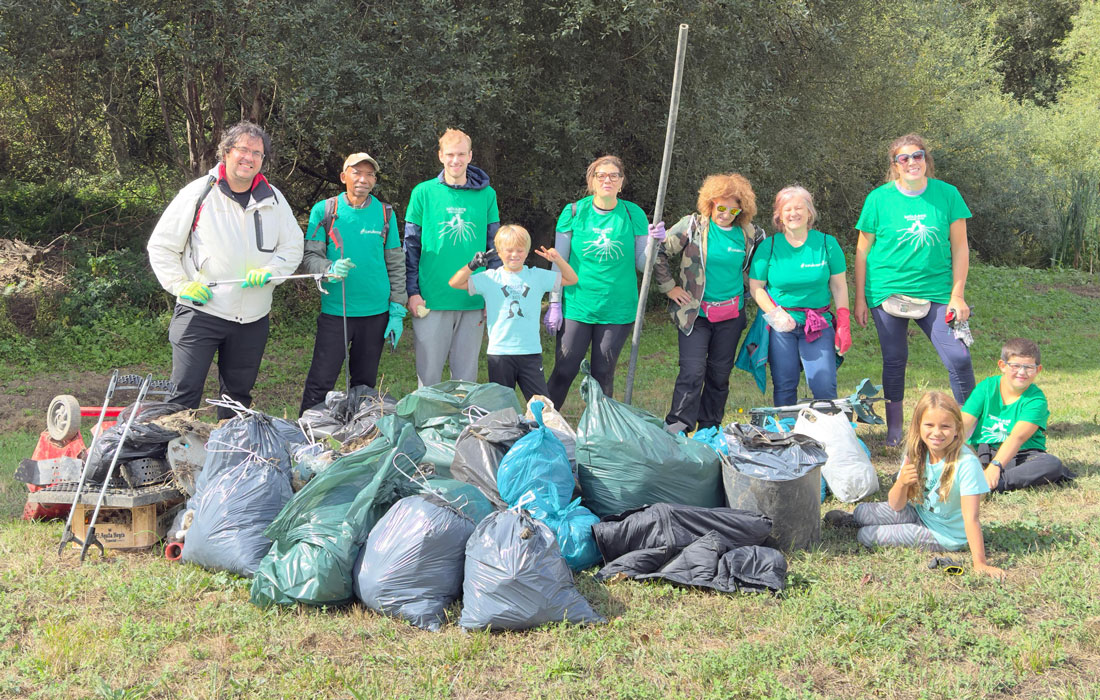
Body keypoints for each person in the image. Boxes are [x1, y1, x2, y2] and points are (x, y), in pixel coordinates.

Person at [147, 121, 303, 419]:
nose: (249, 157)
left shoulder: (274, 198)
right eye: (242, 149)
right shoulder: (199, 192)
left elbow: (293, 245)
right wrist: (181, 285)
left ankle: (229, 460)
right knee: (183, 396)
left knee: (237, 401)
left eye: (257, 153)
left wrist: (274, 270)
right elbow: (162, 246)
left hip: (253, 319)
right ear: (227, 152)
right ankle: (176, 463)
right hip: (200, 312)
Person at [854, 133, 975, 445]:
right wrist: (860, 299)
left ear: (926, 160)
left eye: (917, 155)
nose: (911, 162)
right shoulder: (878, 199)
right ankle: (895, 431)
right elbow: (863, 252)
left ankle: (970, 428)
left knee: (958, 358)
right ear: (895, 166)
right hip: (887, 290)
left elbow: (961, 248)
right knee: (894, 359)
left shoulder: (947, 195)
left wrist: (957, 294)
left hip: (935, 291)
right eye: (903, 158)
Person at [825, 391, 1005, 580]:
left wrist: (980, 564)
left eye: (945, 426)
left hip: (943, 533)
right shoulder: (917, 453)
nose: (936, 432)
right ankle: (855, 520)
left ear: (957, 429)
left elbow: (972, 518)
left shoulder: (965, 463)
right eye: (929, 425)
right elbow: (896, 505)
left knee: (867, 536)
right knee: (861, 511)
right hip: (919, 512)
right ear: (918, 426)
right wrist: (902, 483)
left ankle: (866, 525)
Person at [544, 155, 663, 409]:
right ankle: (539, 424)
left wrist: (655, 243)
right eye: (601, 176)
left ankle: (600, 432)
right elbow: (558, 261)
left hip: (617, 308)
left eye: (613, 176)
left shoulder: (633, 214)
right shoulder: (574, 212)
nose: (607, 180)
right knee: (565, 369)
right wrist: (555, 302)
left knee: (603, 373)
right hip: (578, 304)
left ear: (621, 182)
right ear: (592, 181)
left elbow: (643, 264)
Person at [652, 173, 766, 433]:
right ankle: (678, 427)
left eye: (732, 208)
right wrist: (669, 287)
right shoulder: (693, 226)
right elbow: (659, 250)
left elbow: (761, 271)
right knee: (692, 371)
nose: (725, 213)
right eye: (720, 206)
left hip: (731, 316)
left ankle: (709, 430)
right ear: (710, 202)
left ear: (741, 209)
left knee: (719, 375)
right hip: (695, 315)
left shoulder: (752, 235)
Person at [297, 152, 406, 414]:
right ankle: (305, 435)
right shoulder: (325, 211)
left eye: (370, 174)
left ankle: (358, 437)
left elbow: (395, 262)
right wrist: (328, 269)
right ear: (344, 176)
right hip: (337, 312)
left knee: (365, 385)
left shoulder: (385, 212)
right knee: (320, 382)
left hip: (376, 313)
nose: (363, 179)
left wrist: (397, 309)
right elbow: (310, 256)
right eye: (357, 173)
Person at [403, 128, 500, 387]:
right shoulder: (423, 192)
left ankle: (462, 426)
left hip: (473, 298)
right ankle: (428, 425)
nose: (455, 160)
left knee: (466, 379)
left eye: (460, 154)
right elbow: (410, 247)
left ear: (470, 156)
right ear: (440, 156)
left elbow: (495, 247)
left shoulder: (487, 195)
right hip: (431, 299)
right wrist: (412, 292)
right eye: (449, 154)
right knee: (429, 377)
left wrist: (494, 294)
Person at [448, 224, 578, 400]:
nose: (515, 255)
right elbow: (455, 283)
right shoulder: (490, 278)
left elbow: (572, 279)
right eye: (509, 250)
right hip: (500, 353)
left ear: (527, 251)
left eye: (520, 250)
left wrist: (558, 260)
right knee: (502, 407)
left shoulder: (537, 276)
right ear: (499, 252)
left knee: (542, 406)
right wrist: (472, 265)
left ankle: (540, 428)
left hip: (530, 352)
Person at [748, 186, 850, 408]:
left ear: (809, 213)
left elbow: (839, 286)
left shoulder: (826, 243)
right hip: (781, 325)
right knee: (785, 384)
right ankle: (787, 435)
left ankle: (826, 434)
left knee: (824, 385)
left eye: (799, 208)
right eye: (787, 209)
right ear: (779, 215)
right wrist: (776, 314)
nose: (793, 213)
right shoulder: (770, 246)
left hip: (817, 324)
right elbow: (756, 286)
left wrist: (843, 323)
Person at [962, 337, 1075, 492]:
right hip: (984, 450)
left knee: (1052, 464)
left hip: (1022, 454)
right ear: (1002, 366)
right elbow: (962, 423)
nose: (1022, 372)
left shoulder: (1036, 400)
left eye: (1029, 367)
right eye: (1015, 366)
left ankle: (995, 484)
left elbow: (1017, 437)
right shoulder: (986, 387)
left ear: (1038, 370)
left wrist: (995, 466)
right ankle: (982, 477)